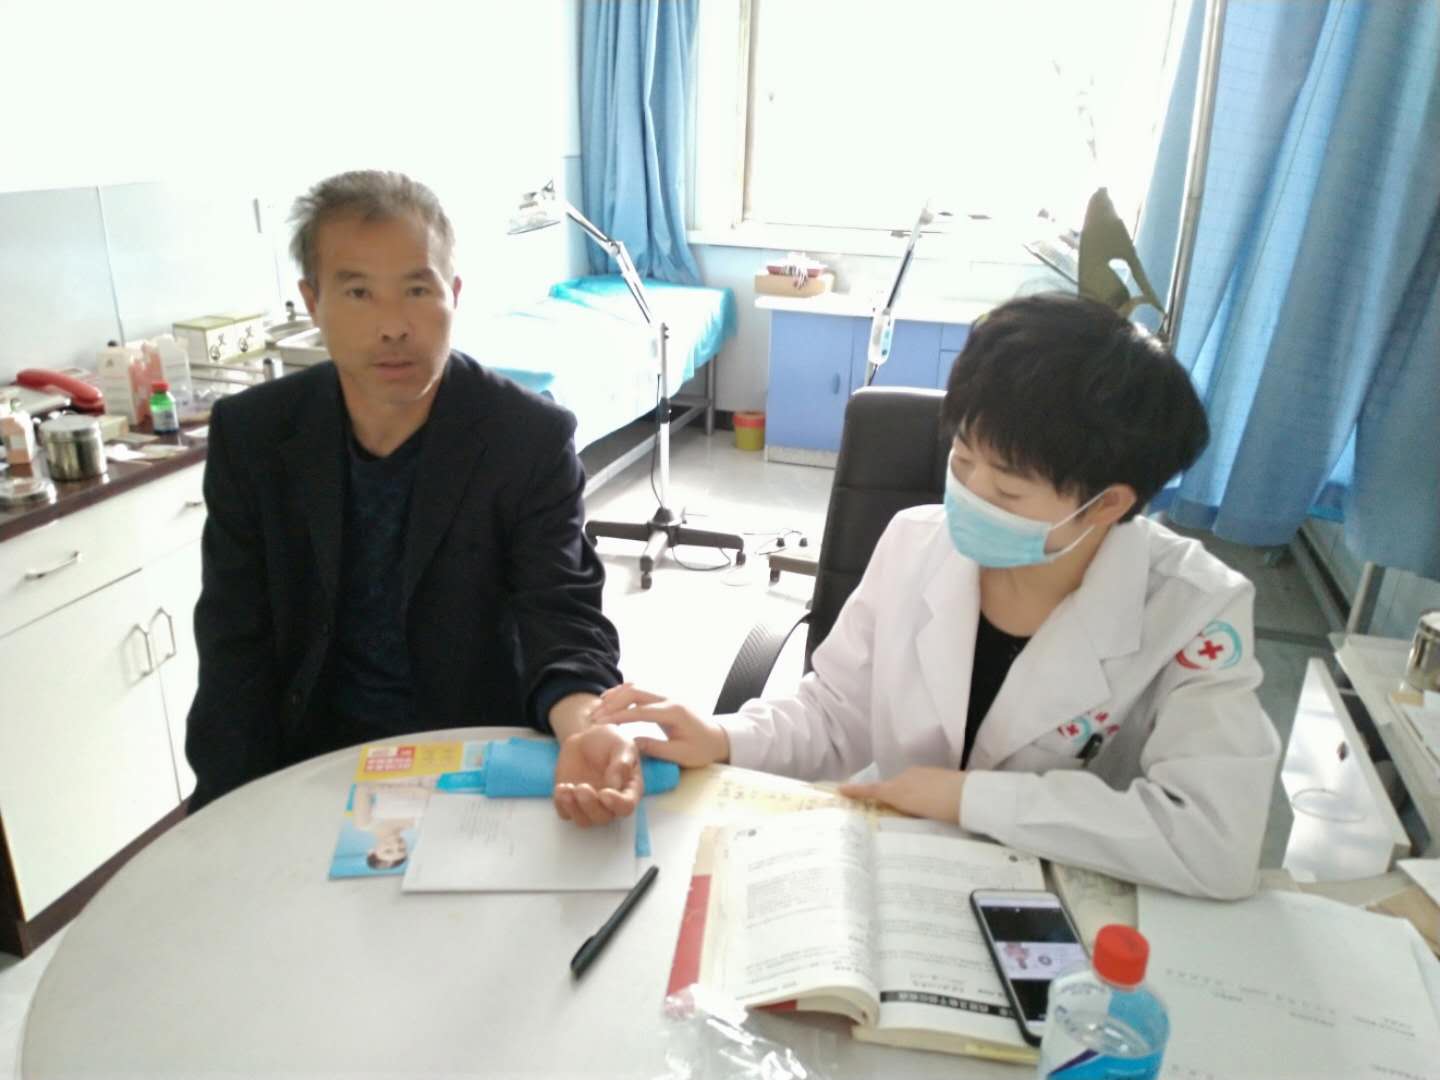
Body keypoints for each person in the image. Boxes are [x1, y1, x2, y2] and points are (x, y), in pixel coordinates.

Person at [593, 293, 1282, 900]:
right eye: (962, 459)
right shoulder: (915, 542)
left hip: (1067, 906)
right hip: (902, 876)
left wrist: (969, 799)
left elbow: (1214, 841)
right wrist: (723, 737)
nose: (969, 496)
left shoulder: (1193, 611)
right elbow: (834, 715)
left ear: (1107, 504)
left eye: (1007, 489)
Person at [186, 170, 639, 825]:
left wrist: (585, 726)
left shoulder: (527, 439)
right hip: (309, 761)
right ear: (312, 302)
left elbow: (562, 615)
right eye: (358, 292)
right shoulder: (255, 435)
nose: (393, 326)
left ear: (453, 293)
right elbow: (234, 645)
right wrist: (225, 815)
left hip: (473, 756)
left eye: (418, 290)